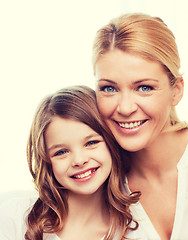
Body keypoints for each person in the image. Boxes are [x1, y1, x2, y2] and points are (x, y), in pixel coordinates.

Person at [92, 13, 188, 240]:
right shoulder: (92, 181)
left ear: (176, 91)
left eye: (144, 88)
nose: (125, 108)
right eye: (109, 89)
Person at [0, 85, 147, 240]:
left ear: (111, 142)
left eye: (91, 143)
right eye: (61, 152)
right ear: (47, 161)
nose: (79, 160)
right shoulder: (16, 218)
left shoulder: (137, 230)